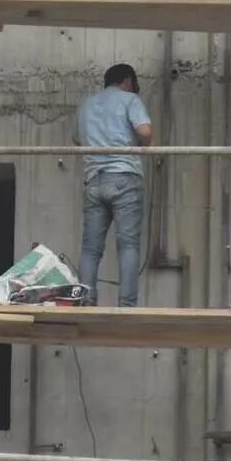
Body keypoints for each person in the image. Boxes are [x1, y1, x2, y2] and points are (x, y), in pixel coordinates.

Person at [75, 62, 155, 307]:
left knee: (91, 248)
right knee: (128, 244)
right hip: (124, 176)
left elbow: (77, 138)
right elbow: (145, 132)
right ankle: (127, 305)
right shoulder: (130, 100)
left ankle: (86, 301)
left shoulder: (86, 105)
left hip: (94, 178)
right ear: (128, 80)